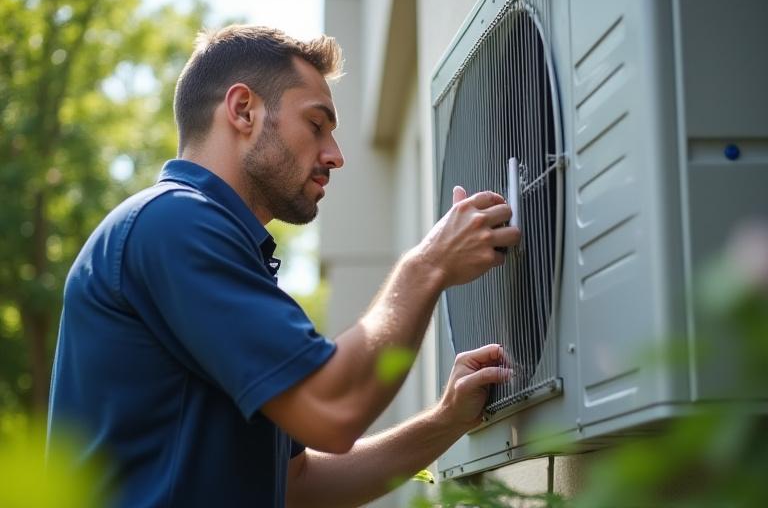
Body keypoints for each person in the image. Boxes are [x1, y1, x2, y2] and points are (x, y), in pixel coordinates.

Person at [47, 25, 521, 507]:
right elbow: (332, 409)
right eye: (317, 125)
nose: (335, 156)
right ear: (243, 110)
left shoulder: (216, 248)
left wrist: (447, 420)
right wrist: (428, 265)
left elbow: (298, 484)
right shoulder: (174, 223)